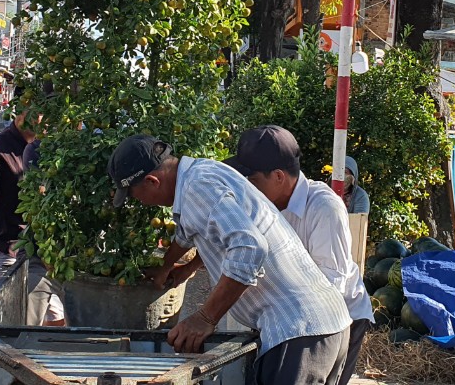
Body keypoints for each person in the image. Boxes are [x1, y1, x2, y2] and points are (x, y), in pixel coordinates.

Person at [109, 135, 352, 385]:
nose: (138, 201)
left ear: (152, 181)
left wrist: (205, 318)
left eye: (134, 194)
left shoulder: (197, 188)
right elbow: (192, 230)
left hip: (299, 332)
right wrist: (169, 267)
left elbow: (250, 247)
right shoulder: (200, 173)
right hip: (322, 327)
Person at [228, 125, 375, 382]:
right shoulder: (267, 205)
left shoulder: (324, 207)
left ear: (278, 177)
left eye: (252, 181)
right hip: (297, 319)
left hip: (340, 317)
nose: (247, 189)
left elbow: (334, 283)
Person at [0, 95, 64, 325]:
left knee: (58, 323)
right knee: (3, 326)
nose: (41, 119)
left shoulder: (49, 148)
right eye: (35, 112)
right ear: (18, 112)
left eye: (44, 113)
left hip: (47, 254)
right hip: (11, 251)